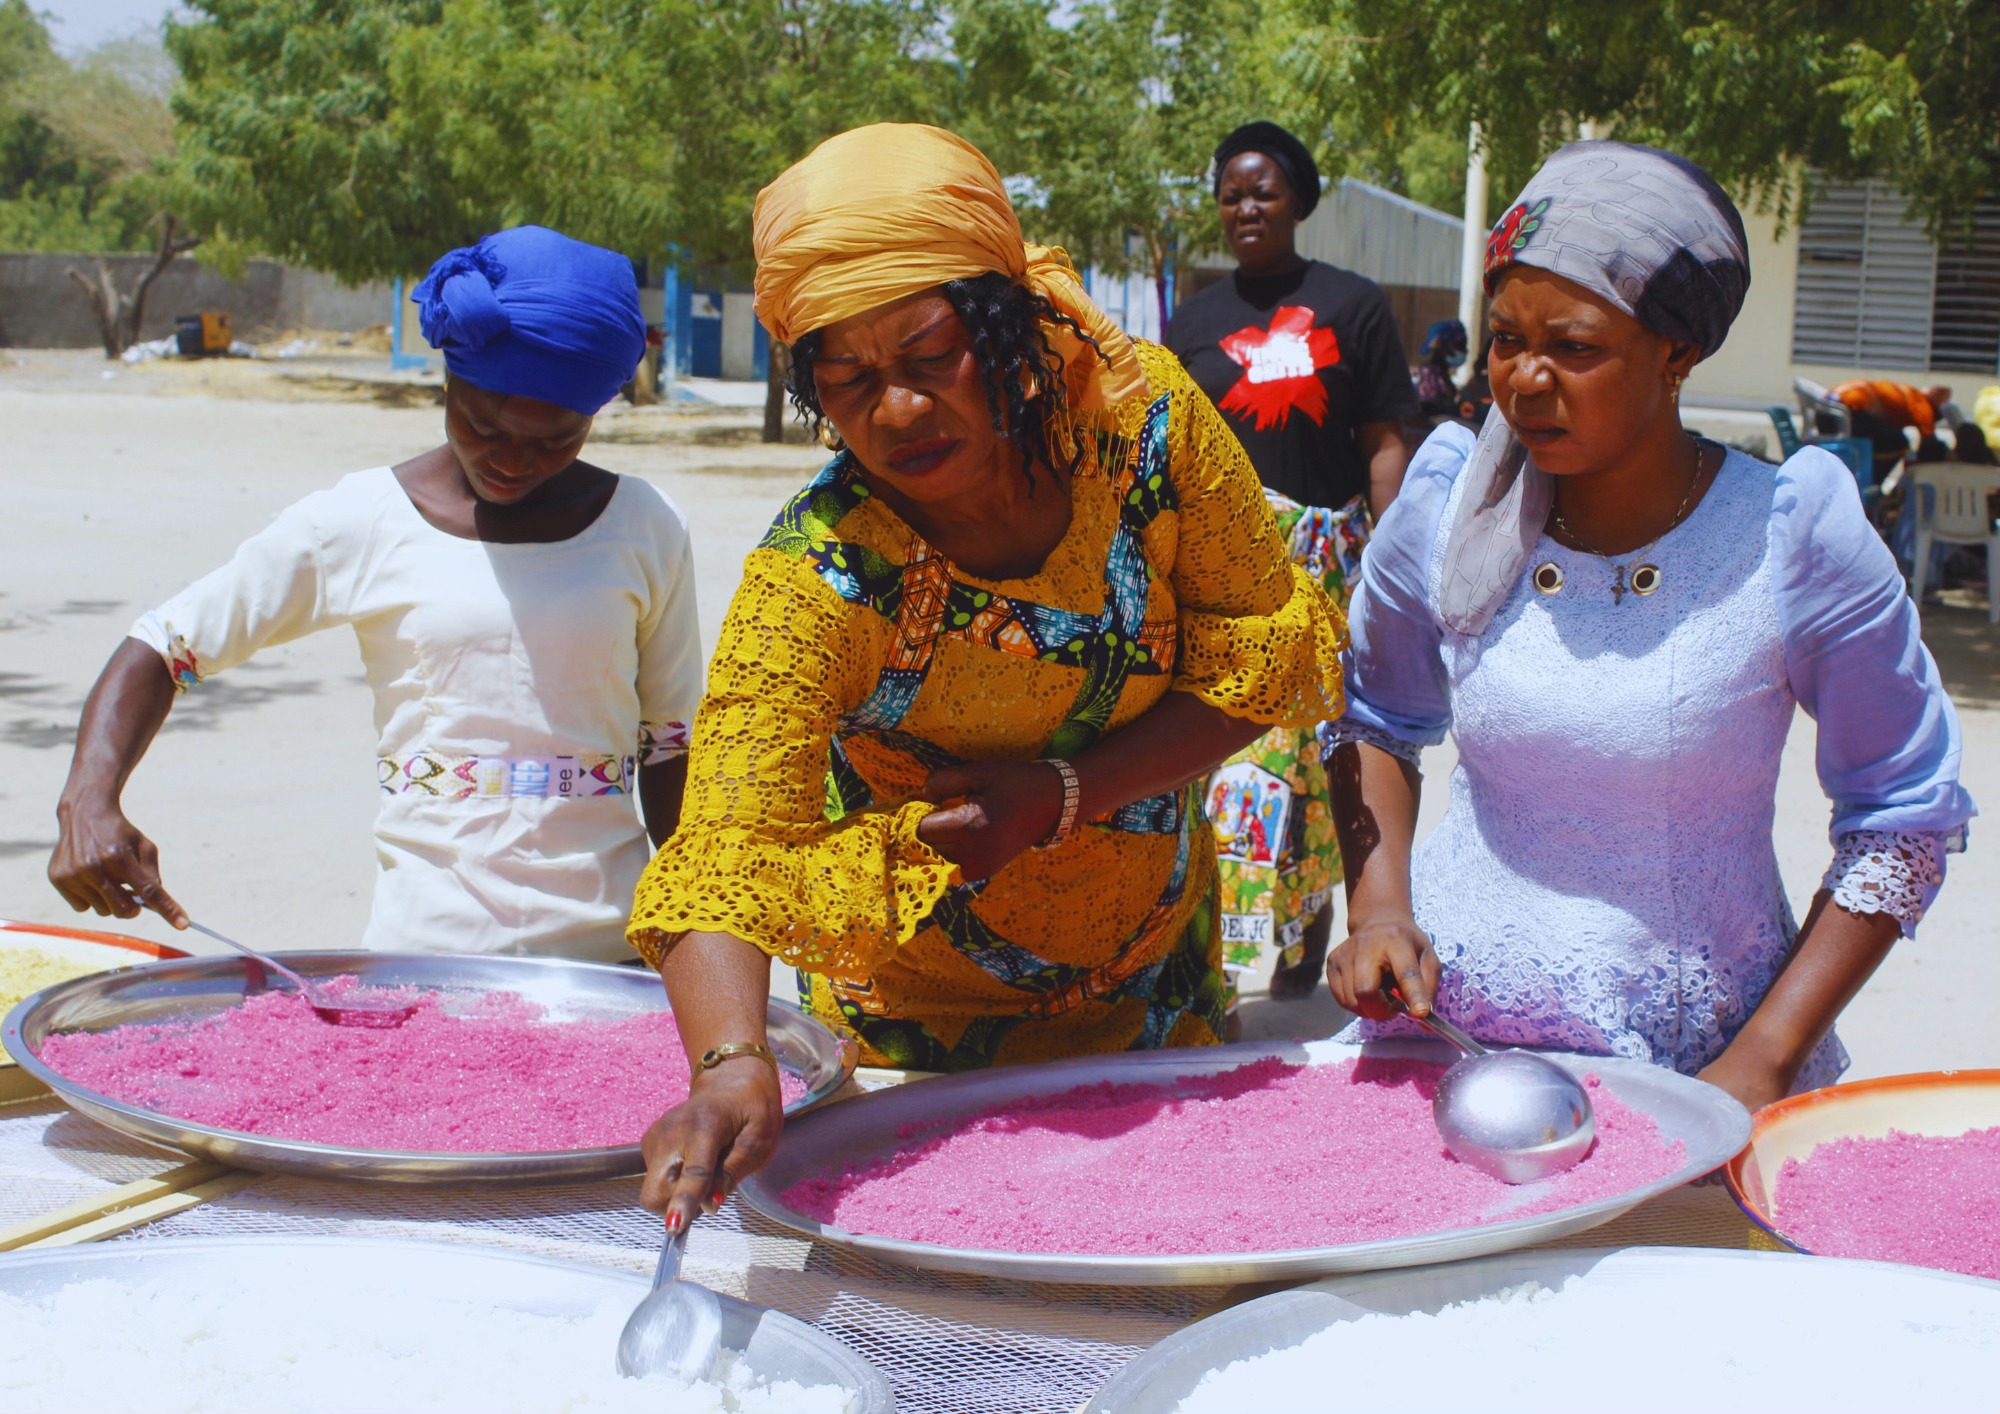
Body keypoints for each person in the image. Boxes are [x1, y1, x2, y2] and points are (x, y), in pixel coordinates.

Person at [626, 123, 1345, 1230]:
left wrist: (1065, 794)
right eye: (849, 375)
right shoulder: (818, 578)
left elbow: (1256, 655)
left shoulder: (1142, 427)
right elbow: (727, 846)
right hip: (906, 1051)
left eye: (928, 354)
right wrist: (730, 1061)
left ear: (1004, 327)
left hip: (1157, 993)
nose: (897, 410)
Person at [1321, 142, 1975, 1114]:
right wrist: (1377, 907)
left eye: (1573, 348)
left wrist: (1760, 1060)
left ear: (1677, 352)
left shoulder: (1786, 535)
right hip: (1442, 1044)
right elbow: (1376, 718)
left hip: (1689, 1066)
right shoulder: (1453, 501)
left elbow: (1899, 820)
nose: (1524, 379)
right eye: (1503, 339)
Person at [49, 226, 703, 961]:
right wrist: (89, 798)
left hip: (613, 954)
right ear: (448, 383)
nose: (513, 462)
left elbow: (669, 744)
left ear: (592, 417)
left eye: (553, 441)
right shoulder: (362, 520)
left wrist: (692, 939)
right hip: (429, 955)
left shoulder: (645, 526)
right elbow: (166, 644)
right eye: (484, 427)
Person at [1164, 121, 1417, 1003]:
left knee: (1317, 756)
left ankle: (1304, 934)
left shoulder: (1353, 305)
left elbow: (1385, 435)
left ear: (1299, 201)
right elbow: (1171, 457)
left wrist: (1392, 559)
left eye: (1263, 190)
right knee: (1223, 757)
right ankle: (1218, 940)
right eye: (1232, 192)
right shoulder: (1191, 322)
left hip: (1330, 573)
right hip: (1227, 580)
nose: (1246, 207)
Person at [1830, 378, 1952, 480]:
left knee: (1882, 439)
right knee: (1899, 443)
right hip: (1851, 406)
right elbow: (1929, 444)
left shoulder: (1911, 393)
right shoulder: (1923, 406)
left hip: (1833, 401)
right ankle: (1873, 482)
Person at [1413, 318, 1468, 421]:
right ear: (1442, 346)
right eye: (1458, 346)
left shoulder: (1442, 375)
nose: (1464, 351)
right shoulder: (1426, 376)